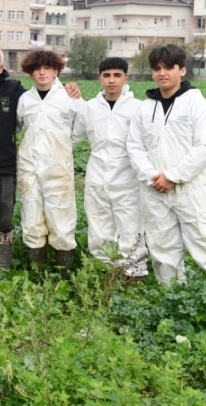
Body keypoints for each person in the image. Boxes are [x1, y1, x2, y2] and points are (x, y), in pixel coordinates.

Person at [126, 44, 206, 295]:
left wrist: (173, 176)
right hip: (154, 188)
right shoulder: (146, 108)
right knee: (161, 245)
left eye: (168, 67)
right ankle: (173, 296)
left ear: (182, 70)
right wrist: (153, 177)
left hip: (192, 189)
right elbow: (134, 146)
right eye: (157, 68)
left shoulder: (196, 104)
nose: (162, 73)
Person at [0, 48, 80, 277]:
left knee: (4, 222)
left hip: (5, 169)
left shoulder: (15, 91)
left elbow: (53, 104)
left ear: (2, 68)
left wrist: (69, 87)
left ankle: (3, 273)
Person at [72, 57, 148, 279]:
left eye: (117, 75)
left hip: (128, 180)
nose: (111, 80)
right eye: (106, 75)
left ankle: (133, 276)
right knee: (98, 227)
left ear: (126, 78)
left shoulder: (139, 108)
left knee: (131, 228)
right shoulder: (90, 108)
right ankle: (106, 274)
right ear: (99, 78)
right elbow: (73, 136)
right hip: (96, 177)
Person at [16, 50, 84, 280]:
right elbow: (16, 127)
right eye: (37, 69)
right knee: (31, 218)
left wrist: (63, 143)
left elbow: (82, 128)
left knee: (61, 219)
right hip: (29, 168)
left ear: (56, 71)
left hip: (58, 168)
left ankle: (62, 277)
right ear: (30, 73)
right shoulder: (25, 100)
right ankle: (37, 274)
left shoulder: (70, 97)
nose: (42, 72)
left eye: (47, 68)